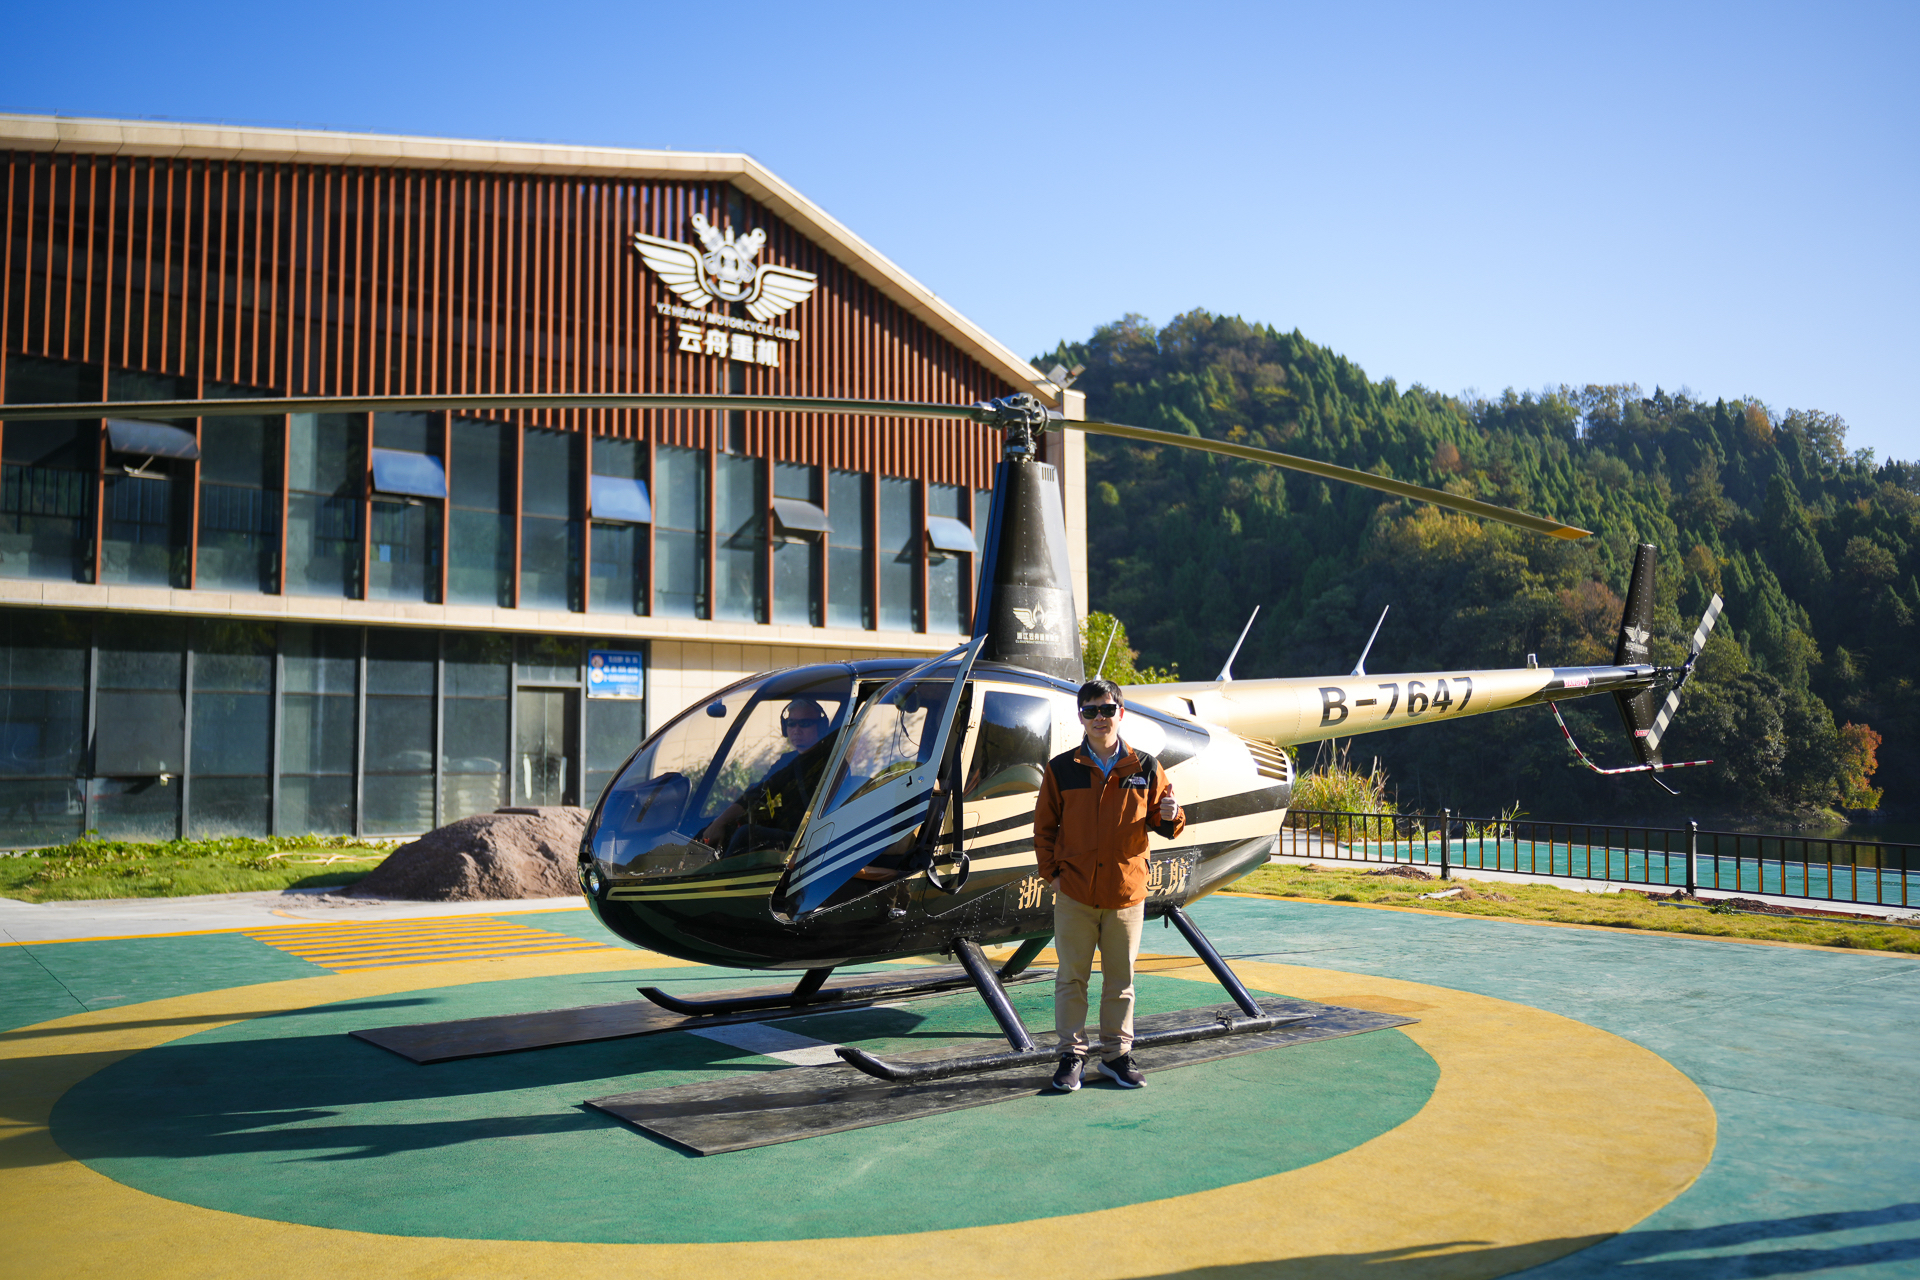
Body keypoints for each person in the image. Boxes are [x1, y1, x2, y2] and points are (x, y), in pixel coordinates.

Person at [1032, 678, 1184, 1091]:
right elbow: (1043, 830)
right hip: (1075, 894)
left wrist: (1171, 812)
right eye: (1090, 711)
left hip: (1125, 893)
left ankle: (1115, 1056)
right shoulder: (1061, 768)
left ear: (1121, 711)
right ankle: (1071, 1056)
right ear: (1080, 717)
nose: (1099, 717)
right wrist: (1054, 876)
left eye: (1106, 709)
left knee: (1120, 980)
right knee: (1071, 978)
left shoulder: (1146, 766)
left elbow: (1166, 823)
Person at [699, 698, 833, 851]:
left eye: (804, 723)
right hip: (783, 833)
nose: (796, 729)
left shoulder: (831, 762)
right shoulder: (787, 760)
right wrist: (719, 822)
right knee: (708, 831)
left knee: (746, 834)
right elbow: (759, 792)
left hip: (805, 839)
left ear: (821, 727)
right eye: (791, 723)